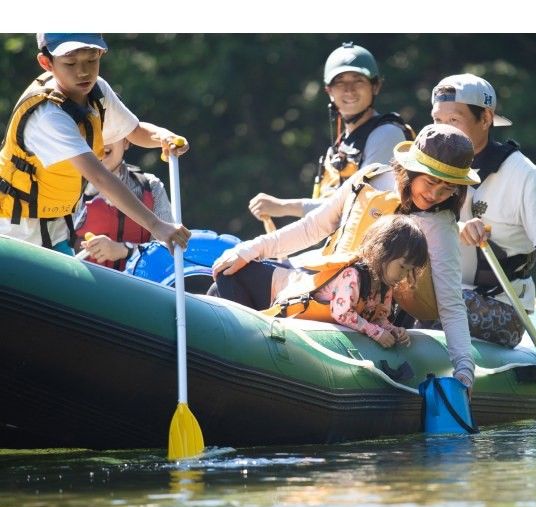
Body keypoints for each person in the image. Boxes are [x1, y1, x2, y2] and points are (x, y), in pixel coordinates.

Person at [211, 123, 479, 389]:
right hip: (325, 290)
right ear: (412, 169)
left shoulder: (440, 225)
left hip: (370, 315)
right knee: (228, 276)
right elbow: (312, 227)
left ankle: (250, 371)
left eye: (447, 188)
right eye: (430, 181)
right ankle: (239, 367)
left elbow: (450, 302)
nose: (434, 195)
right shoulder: (368, 180)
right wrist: (249, 249)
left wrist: (464, 368)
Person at [430, 73, 536, 382]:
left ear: (486, 119)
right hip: (449, 291)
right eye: (437, 120)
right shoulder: (429, 169)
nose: (442, 131)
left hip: (504, 309)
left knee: (439, 298)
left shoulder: (526, 178)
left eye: (453, 120)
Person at [0, 33, 190, 255]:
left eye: (92, 60)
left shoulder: (96, 90)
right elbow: (99, 177)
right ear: (46, 63)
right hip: (15, 229)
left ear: (101, 54)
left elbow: (134, 131)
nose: (83, 71)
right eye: (70, 63)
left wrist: (162, 136)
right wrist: (156, 225)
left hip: (57, 226)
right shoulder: (48, 115)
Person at [247, 42, 414, 224]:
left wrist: (285, 207)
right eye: (340, 82)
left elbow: (362, 206)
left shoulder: (386, 134)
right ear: (329, 90)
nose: (349, 89)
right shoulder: (340, 146)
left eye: (358, 80)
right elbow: (329, 211)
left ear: (376, 86)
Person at [211, 214, 427, 349]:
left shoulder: (384, 287)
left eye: (409, 271)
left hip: (271, 291)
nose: (402, 276)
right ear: (383, 253)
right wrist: (375, 333)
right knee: (244, 337)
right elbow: (341, 313)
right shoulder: (354, 276)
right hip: (254, 285)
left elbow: (378, 317)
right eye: (402, 267)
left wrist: (392, 329)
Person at [73, 137, 172, 269]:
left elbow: (168, 252)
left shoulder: (152, 187)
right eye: (97, 132)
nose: (102, 140)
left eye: (112, 133)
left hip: (139, 286)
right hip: (83, 285)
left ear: (126, 142)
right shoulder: (71, 188)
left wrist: (124, 250)